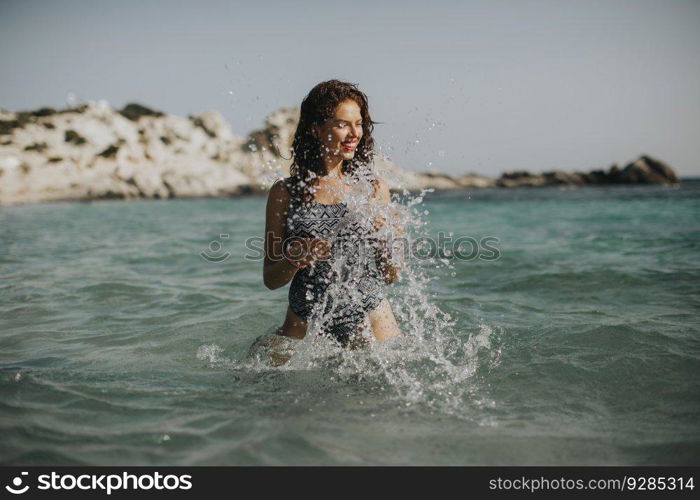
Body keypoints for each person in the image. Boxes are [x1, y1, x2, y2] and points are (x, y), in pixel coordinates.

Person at [260, 79, 402, 354]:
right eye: (342, 124)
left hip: (372, 333)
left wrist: (388, 236)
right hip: (305, 337)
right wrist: (294, 258)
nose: (354, 133)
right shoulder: (285, 192)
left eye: (359, 123)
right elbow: (271, 279)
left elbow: (390, 274)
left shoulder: (373, 188)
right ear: (316, 128)